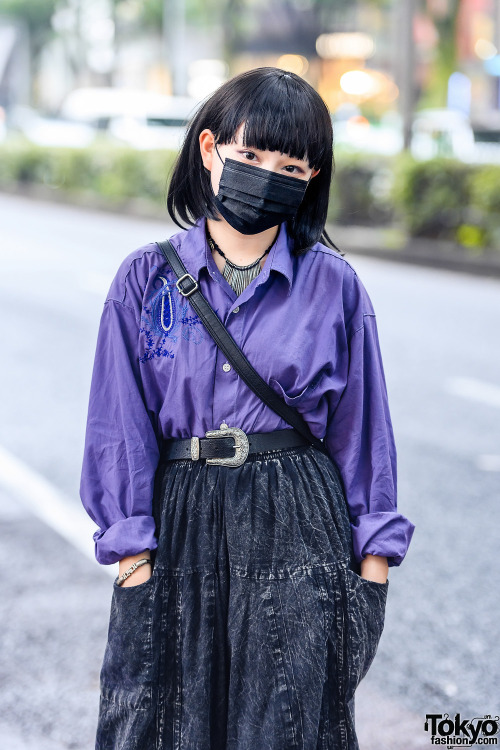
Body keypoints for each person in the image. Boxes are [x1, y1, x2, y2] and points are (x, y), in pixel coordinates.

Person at [79, 66, 415, 750]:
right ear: (209, 151)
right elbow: (118, 426)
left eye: (292, 164)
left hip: (298, 523)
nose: (269, 174)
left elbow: (364, 432)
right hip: (181, 522)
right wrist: (133, 556)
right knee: (160, 725)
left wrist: (372, 568)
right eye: (251, 155)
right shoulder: (146, 280)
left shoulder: (334, 286)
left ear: (312, 179)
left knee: (289, 726)